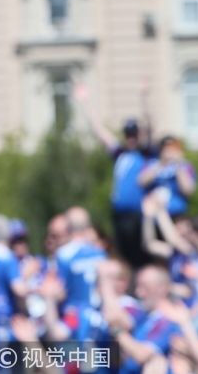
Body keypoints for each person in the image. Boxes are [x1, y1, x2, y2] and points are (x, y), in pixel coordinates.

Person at [75, 81, 155, 269]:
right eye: (128, 134)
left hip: (137, 213)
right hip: (119, 213)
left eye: (134, 134)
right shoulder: (120, 153)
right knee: (122, 253)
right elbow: (100, 131)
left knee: (139, 254)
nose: (131, 138)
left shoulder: (145, 153)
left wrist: (143, 97)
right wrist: (85, 103)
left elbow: (149, 123)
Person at [139, 136, 197, 218]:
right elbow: (141, 182)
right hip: (153, 214)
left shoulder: (185, 166)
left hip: (176, 215)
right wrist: (161, 164)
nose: (168, 151)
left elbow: (188, 190)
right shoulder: (152, 163)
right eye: (165, 148)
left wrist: (178, 164)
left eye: (172, 148)